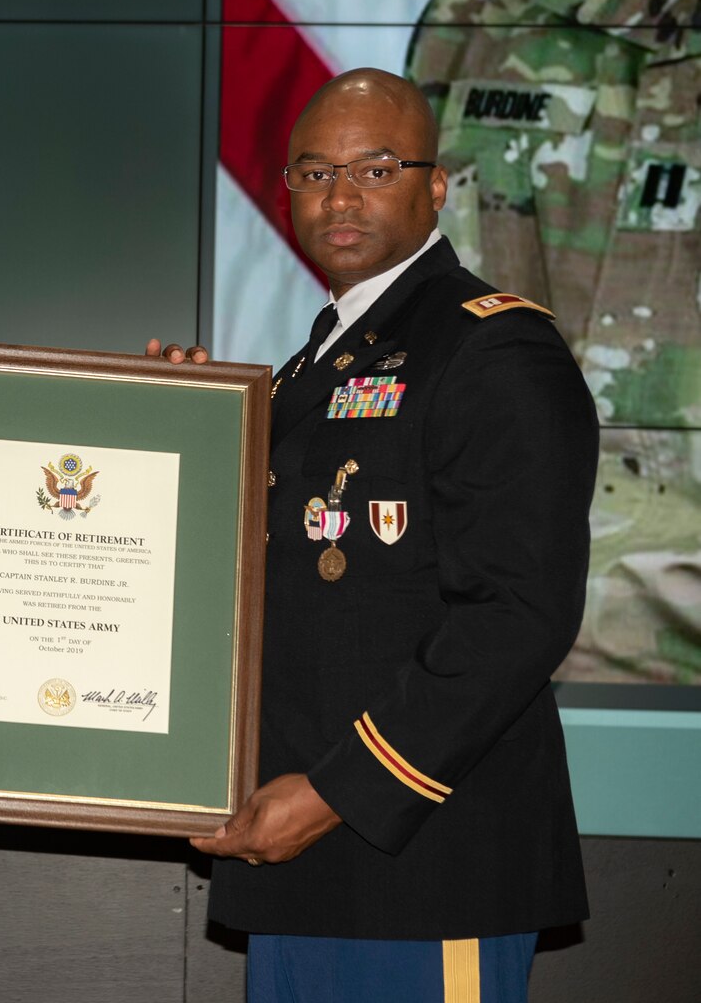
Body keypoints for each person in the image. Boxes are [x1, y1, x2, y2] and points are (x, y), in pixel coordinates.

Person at [161, 69, 594, 1000]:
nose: (341, 195)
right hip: (304, 865)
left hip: (421, 870)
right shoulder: (316, 362)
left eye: (376, 166)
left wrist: (332, 795)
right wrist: (185, 426)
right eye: (313, 172)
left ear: (436, 186)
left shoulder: (492, 348)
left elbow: (518, 615)